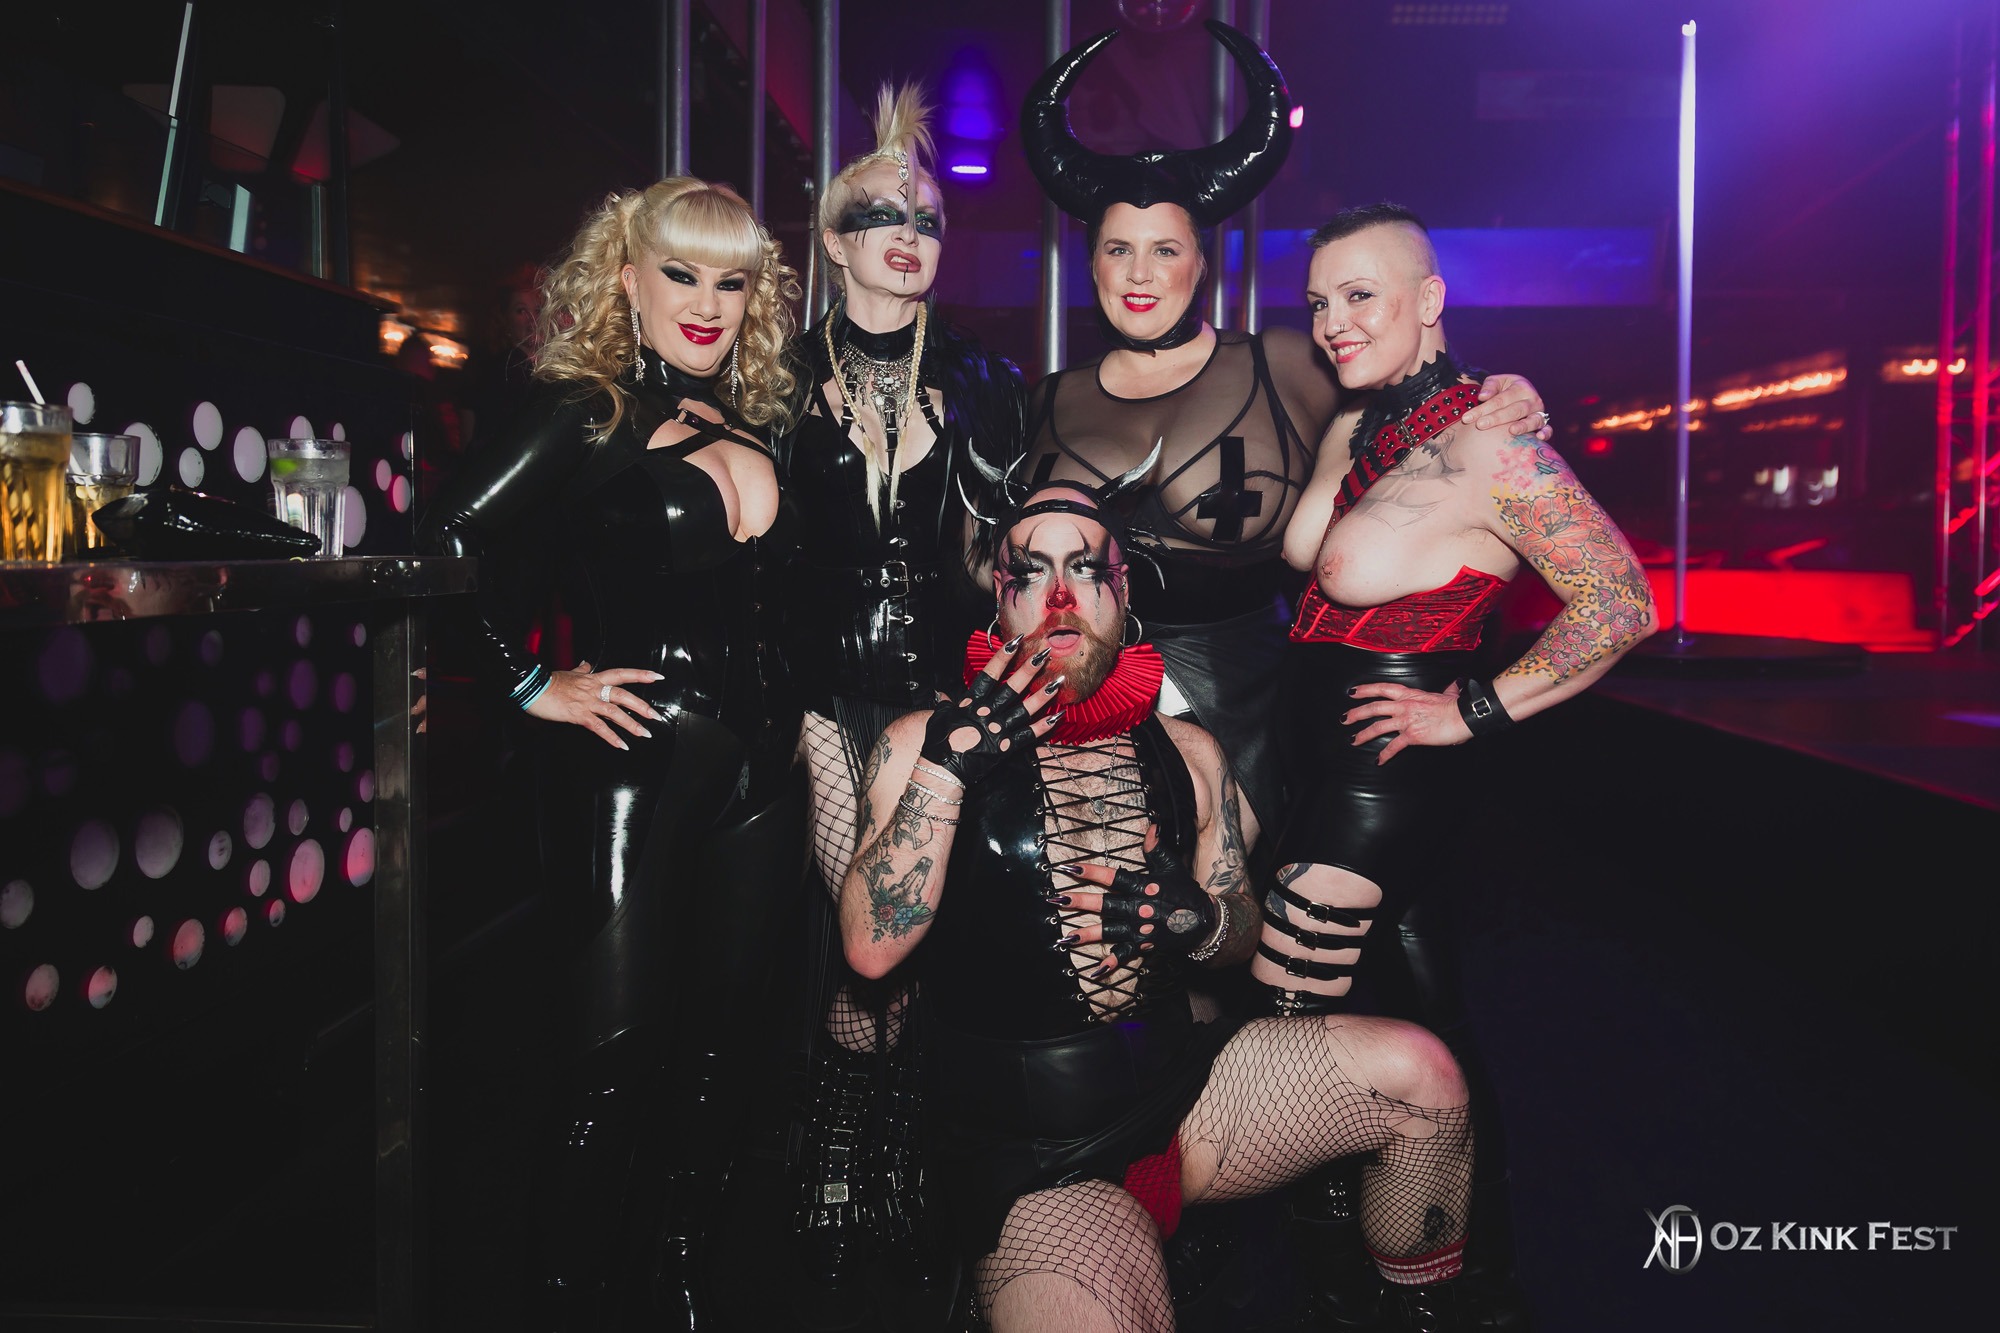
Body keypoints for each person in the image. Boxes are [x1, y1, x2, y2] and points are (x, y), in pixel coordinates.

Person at [840, 482, 1481, 1333]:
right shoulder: (917, 743)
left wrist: (1200, 919)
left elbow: (1240, 930)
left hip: (1188, 1094)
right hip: (1040, 1151)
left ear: (1123, 590)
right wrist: (948, 769)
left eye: (1085, 569)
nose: (1060, 597)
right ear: (999, 595)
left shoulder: (1190, 750)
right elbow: (869, 951)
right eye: (1031, 572)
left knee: (1424, 1078)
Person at [418, 177, 806, 1330]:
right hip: (638, 761)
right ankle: (564, 1301)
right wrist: (532, 683)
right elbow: (442, 544)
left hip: (764, 773)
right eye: (680, 273)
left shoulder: (752, 422)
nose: (706, 302)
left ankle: (677, 1283)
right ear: (627, 280)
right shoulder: (583, 409)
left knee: (724, 1052)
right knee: (610, 1060)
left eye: (729, 281)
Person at [1261, 202, 1659, 1322]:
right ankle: (1466, 1279)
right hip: (1322, 774)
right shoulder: (1357, 429)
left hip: (1386, 780)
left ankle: (1343, 1283)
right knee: (1422, 1018)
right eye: (1319, 301)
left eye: (1361, 295)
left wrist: (1472, 710)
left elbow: (1619, 600)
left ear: (1429, 300)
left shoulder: (1491, 441)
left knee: (1289, 1032)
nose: (1333, 322)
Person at [1017, 20, 1552, 845]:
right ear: (1090, 263)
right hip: (1083, 698)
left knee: (1233, 902)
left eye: (1166, 249)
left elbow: (1407, 374)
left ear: (1203, 262)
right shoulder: (1044, 400)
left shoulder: (1284, 365)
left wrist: (1500, 389)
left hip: (1253, 699)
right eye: (1118, 249)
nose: (1140, 273)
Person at [779, 83, 1027, 1288]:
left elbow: (1012, 543)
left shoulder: (978, 378)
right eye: (881, 214)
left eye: (926, 218)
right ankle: (837, 1146)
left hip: (940, 697)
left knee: (923, 932)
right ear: (832, 242)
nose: (908, 234)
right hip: (821, 695)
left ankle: (899, 1146)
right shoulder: (776, 378)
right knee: (865, 937)